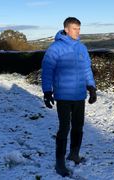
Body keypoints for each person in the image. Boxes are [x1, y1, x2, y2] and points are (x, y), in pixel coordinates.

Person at [41, 17, 97, 177]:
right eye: (74, 29)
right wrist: (47, 91)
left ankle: (74, 154)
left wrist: (91, 87)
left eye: (79, 29)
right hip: (64, 96)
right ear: (66, 29)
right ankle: (60, 163)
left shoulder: (82, 48)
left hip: (79, 95)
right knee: (64, 128)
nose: (77, 32)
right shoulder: (55, 49)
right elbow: (47, 72)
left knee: (78, 127)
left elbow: (87, 69)